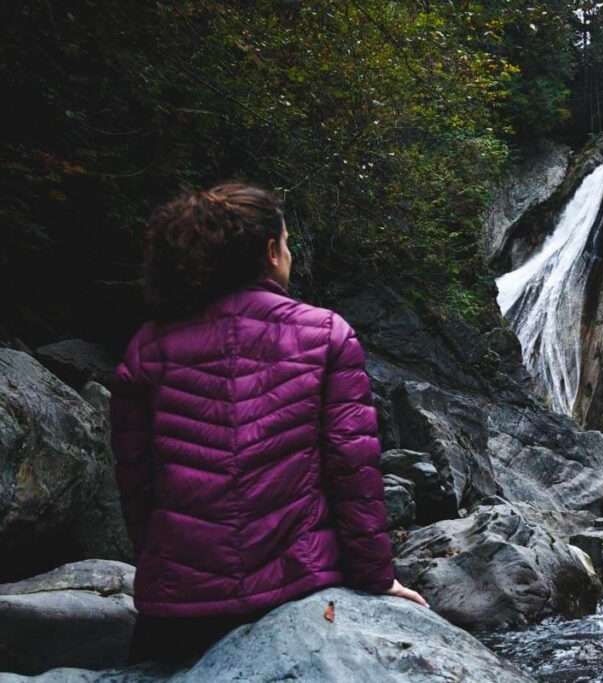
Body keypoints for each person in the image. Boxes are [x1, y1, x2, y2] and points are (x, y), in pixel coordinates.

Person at [109, 182, 427, 666]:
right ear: (269, 251)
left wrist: (164, 570)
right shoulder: (326, 334)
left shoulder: (148, 347)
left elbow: (137, 482)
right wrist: (377, 578)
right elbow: (352, 471)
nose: (291, 253)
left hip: (178, 610)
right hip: (297, 591)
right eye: (287, 242)